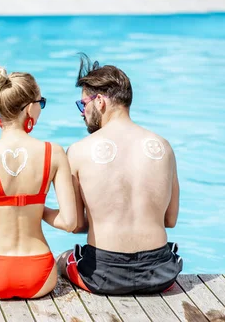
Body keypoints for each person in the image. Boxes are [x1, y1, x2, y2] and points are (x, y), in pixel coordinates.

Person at [58, 54, 182, 295]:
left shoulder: (78, 151)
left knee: (62, 259)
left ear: (100, 101)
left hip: (103, 276)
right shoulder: (164, 146)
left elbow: (76, 225)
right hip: (161, 274)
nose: (83, 112)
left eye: (83, 104)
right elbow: (170, 220)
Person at [0, 66, 77, 300]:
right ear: (29, 108)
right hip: (40, 273)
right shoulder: (53, 153)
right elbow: (69, 222)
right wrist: (36, 209)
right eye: (40, 102)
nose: (40, 108)